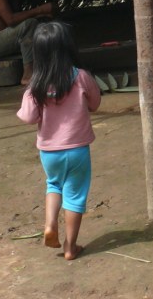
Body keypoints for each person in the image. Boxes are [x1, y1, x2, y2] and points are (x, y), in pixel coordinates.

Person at [16, 21, 101, 261]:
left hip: (49, 152)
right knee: (75, 196)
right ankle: (70, 247)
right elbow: (95, 104)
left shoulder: (35, 86)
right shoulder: (81, 77)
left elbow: (29, 117)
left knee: (53, 185)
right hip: (77, 150)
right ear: (68, 48)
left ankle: (50, 223)